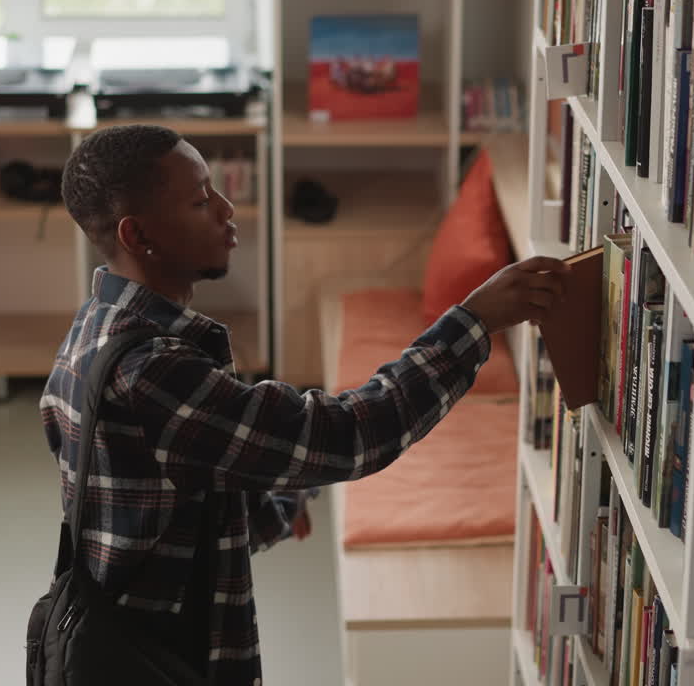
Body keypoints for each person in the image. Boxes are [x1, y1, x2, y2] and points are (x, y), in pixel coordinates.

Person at [41, 124, 570, 685]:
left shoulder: (99, 328)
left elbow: (161, 503)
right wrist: (475, 321)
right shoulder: (153, 370)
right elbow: (346, 435)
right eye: (200, 200)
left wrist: (275, 504)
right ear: (138, 234)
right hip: (162, 663)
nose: (227, 209)